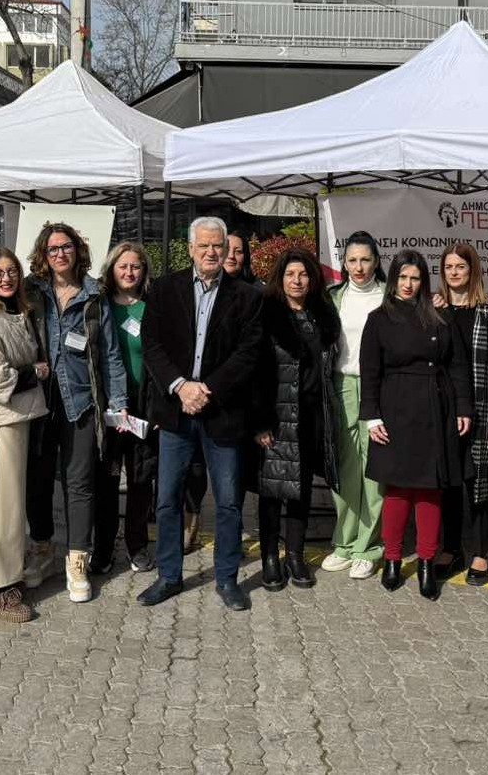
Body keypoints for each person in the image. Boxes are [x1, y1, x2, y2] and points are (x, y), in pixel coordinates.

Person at [137, 216, 263, 612]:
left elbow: (249, 352)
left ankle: (227, 578)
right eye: (204, 246)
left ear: (227, 250)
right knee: (168, 497)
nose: (212, 252)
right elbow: (152, 344)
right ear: (190, 249)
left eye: (218, 246)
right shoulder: (164, 289)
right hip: (176, 411)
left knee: (227, 501)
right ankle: (169, 575)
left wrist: (207, 389)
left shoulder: (246, 296)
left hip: (221, 411)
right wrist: (180, 386)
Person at [24, 223, 128, 603]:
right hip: (37, 402)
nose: (59, 254)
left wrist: (118, 404)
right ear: (43, 254)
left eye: (65, 247)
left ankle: (77, 559)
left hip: (82, 403)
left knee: (79, 483)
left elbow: (111, 355)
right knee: (36, 481)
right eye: (52, 249)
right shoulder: (31, 292)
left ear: (77, 251)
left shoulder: (95, 295)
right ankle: (42, 548)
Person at [361, 251, 472, 599]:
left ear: (424, 281)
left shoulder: (439, 315)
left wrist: (463, 408)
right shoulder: (378, 318)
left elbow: (457, 365)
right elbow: (370, 372)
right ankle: (393, 558)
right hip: (394, 409)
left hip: (435, 407)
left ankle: (426, 561)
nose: (409, 285)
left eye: (416, 278)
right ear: (394, 278)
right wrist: (372, 415)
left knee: (429, 488)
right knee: (396, 489)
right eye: (403, 278)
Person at [0, 248, 49, 622]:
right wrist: (36, 372)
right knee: (3, 508)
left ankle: (8, 574)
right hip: (3, 420)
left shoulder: (21, 313)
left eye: (11, 271)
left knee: (15, 506)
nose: (6, 278)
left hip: (27, 415)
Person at [254, 248, 341, 592]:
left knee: (301, 490)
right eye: (290, 274)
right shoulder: (268, 313)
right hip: (276, 416)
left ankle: (295, 555)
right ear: (281, 277)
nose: (297, 280)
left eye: (303, 274)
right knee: (272, 491)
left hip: (310, 415)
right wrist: (260, 421)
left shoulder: (321, 314)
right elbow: (256, 371)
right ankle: (270, 559)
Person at [434, 243, 488, 586]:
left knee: (480, 484)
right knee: (448, 482)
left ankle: (480, 551)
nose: (454, 272)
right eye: (448, 267)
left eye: (460, 266)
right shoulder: (433, 310)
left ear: (472, 270)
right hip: (442, 411)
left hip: (482, 410)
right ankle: (450, 548)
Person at [321, 231, 387, 581]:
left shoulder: (389, 297)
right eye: (352, 260)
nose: (358, 267)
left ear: (376, 261)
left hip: (379, 389)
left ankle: (369, 546)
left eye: (365, 259)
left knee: (373, 470)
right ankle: (344, 543)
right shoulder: (333, 297)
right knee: (344, 468)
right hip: (340, 385)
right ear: (343, 264)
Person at [184, 231, 255, 551]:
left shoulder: (255, 295)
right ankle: (192, 519)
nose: (231, 256)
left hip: (234, 403)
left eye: (239, 251)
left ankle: (232, 531)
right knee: (194, 467)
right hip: (193, 400)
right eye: (228, 249)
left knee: (231, 477)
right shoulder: (191, 291)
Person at [94, 242, 158, 574]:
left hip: (142, 407)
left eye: (135, 267)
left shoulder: (152, 308)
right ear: (112, 270)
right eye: (123, 267)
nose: (129, 272)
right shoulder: (99, 307)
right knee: (106, 480)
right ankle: (103, 549)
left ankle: (137, 545)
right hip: (107, 408)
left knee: (140, 479)